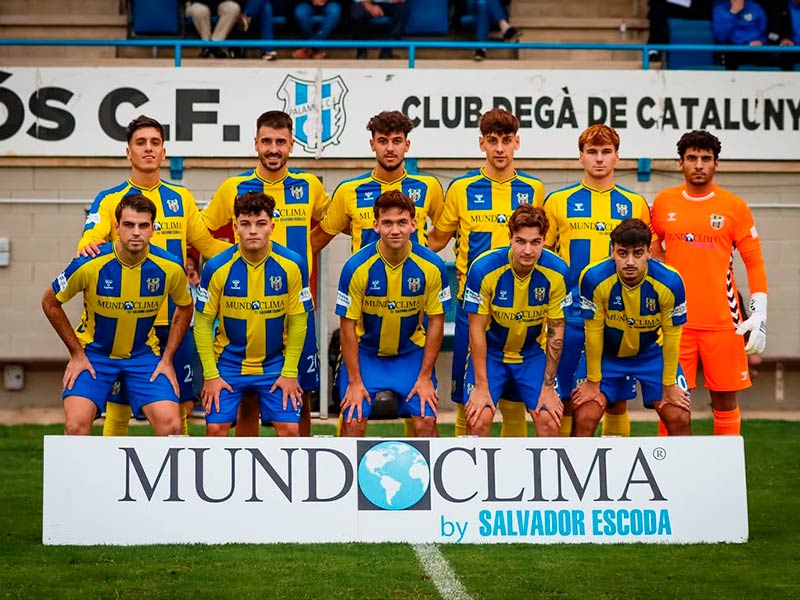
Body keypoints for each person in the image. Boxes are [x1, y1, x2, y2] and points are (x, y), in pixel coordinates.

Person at [78, 115, 230, 437]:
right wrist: (89, 244)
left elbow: (205, 244)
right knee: (118, 409)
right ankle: (114, 482)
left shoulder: (181, 198)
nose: (148, 149)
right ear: (128, 152)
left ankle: (180, 480)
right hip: (127, 321)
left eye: (155, 143)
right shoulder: (109, 199)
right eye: (141, 143)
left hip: (175, 317)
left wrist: (242, 251)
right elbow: (89, 239)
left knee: (180, 403)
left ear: (164, 153)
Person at [310, 110, 442, 436]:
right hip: (365, 318)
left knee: (424, 415)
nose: (390, 148)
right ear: (372, 144)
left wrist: (420, 269)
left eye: (397, 141)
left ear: (407, 145)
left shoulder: (428, 187)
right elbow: (316, 240)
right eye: (383, 141)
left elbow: (444, 233)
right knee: (353, 414)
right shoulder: (348, 191)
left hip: (412, 315)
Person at [201, 110, 329, 436]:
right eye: (267, 141)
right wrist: (227, 261)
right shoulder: (233, 187)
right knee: (247, 396)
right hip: (245, 300)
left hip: (295, 303)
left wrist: (308, 251)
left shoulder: (310, 185)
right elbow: (201, 230)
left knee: (300, 393)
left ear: (292, 145)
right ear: (256, 143)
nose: (274, 149)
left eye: (281, 142)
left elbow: (333, 223)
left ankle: (301, 460)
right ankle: (248, 465)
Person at [427, 108, 545, 438]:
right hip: (474, 307)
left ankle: (514, 472)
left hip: (522, 308)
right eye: (492, 141)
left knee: (515, 398)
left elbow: (541, 245)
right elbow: (434, 241)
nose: (499, 149)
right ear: (481, 143)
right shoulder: (461, 188)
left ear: (517, 143)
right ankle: (464, 467)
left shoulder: (533, 188)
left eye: (506, 141)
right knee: (471, 399)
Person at [42, 194, 193, 436]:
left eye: (143, 225)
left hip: (143, 356)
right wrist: (76, 353)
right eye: (129, 225)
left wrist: (167, 359)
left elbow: (186, 306)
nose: (136, 232)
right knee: (75, 427)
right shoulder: (89, 263)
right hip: (93, 355)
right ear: (116, 227)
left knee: (173, 428)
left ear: (153, 230)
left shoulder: (171, 267)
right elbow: (50, 301)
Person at [650, 130, 768, 435]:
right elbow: (651, 255)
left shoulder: (734, 206)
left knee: (725, 402)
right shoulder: (664, 203)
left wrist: (760, 313)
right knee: (673, 403)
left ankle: (723, 478)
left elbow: (754, 261)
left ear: (716, 164)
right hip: (677, 324)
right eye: (692, 158)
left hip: (723, 322)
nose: (699, 164)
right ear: (680, 163)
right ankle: (672, 473)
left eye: (706, 159)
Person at [543, 124, 651, 438]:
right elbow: (545, 260)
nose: (599, 159)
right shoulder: (558, 201)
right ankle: (562, 476)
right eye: (592, 152)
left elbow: (645, 262)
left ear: (617, 156)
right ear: (581, 157)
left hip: (618, 319)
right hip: (571, 317)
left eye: (606, 152)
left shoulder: (635, 204)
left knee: (616, 401)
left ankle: (613, 477)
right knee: (564, 399)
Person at [195, 192, 312, 437]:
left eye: (260, 224)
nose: (253, 231)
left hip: (274, 363)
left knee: (291, 429)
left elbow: (299, 321)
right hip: (228, 363)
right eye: (245, 224)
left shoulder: (292, 264)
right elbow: (203, 323)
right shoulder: (216, 267)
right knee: (215, 429)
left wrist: (290, 372)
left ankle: (285, 477)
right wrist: (210, 375)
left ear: (272, 225)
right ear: (235, 226)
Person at [336, 190, 451, 437]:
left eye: (401, 223)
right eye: (387, 223)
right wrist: (355, 382)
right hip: (366, 353)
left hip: (410, 354)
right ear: (376, 225)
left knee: (425, 420)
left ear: (414, 224)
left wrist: (425, 377)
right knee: (354, 419)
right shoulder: (356, 267)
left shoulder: (432, 266)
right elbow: (347, 326)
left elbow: (436, 323)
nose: (395, 230)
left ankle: (427, 475)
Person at [571, 219, 691, 437]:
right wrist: (593, 381)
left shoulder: (670, 282)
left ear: (649, 253)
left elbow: (673, 335)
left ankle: (678, 471)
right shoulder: (593, 278)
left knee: (679, 415)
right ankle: (580, 471)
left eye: (637, 253)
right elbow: (593, 331)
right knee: (584, 415)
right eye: (622, 253)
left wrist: (669, 383)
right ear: (612, 252)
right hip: (607, 354)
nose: (629, 262)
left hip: (651, 353)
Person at [461, 205, 567, 437]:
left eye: (535, 242)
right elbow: (476, 329)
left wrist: (548, 387)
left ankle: (544, 474)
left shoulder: (558, 272)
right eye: (520, 241)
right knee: (478, 419)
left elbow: (556, 332)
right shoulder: (484, 268)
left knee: (549, 419)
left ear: (544, 241)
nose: (528, 250)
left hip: (532, 354)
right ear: (509, 238)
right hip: (491, 354)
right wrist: (481, 386)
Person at [713, 0, 769, 69]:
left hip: (755, 48)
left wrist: (761, 41)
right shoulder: (720, 9)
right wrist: (733, 12)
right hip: (733, 49)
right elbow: (721, 37)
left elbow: (764, 32)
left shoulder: (755, 7)